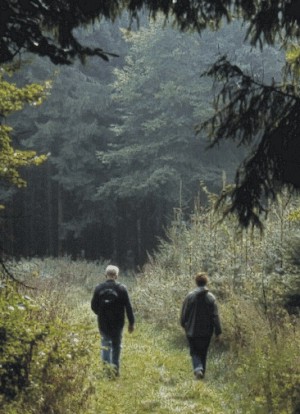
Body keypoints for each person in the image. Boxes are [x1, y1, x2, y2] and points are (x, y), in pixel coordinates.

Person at [91, 265, 135, 376]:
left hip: (103, 322)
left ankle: (106, 371)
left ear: (106, 275)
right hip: (118, 322)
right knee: (116, 345)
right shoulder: (122, 289)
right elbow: (128, 307)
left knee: (105, 344)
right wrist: (131, 323)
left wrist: (100, 314)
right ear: (116, 275)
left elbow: (93, 306)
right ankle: (115, 371)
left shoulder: (98, 288)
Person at [180, 272, 222, 380]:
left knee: (194, 352)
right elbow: (215, 316)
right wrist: (218, 332)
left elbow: (184, 313)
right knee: (203, 352)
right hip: (207, 332)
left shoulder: (190, 296)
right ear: (206, 282)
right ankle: (201, 375)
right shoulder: (211, 298)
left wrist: (183, 323)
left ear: (196, 282)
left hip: (192, 331)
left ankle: (198, 369)